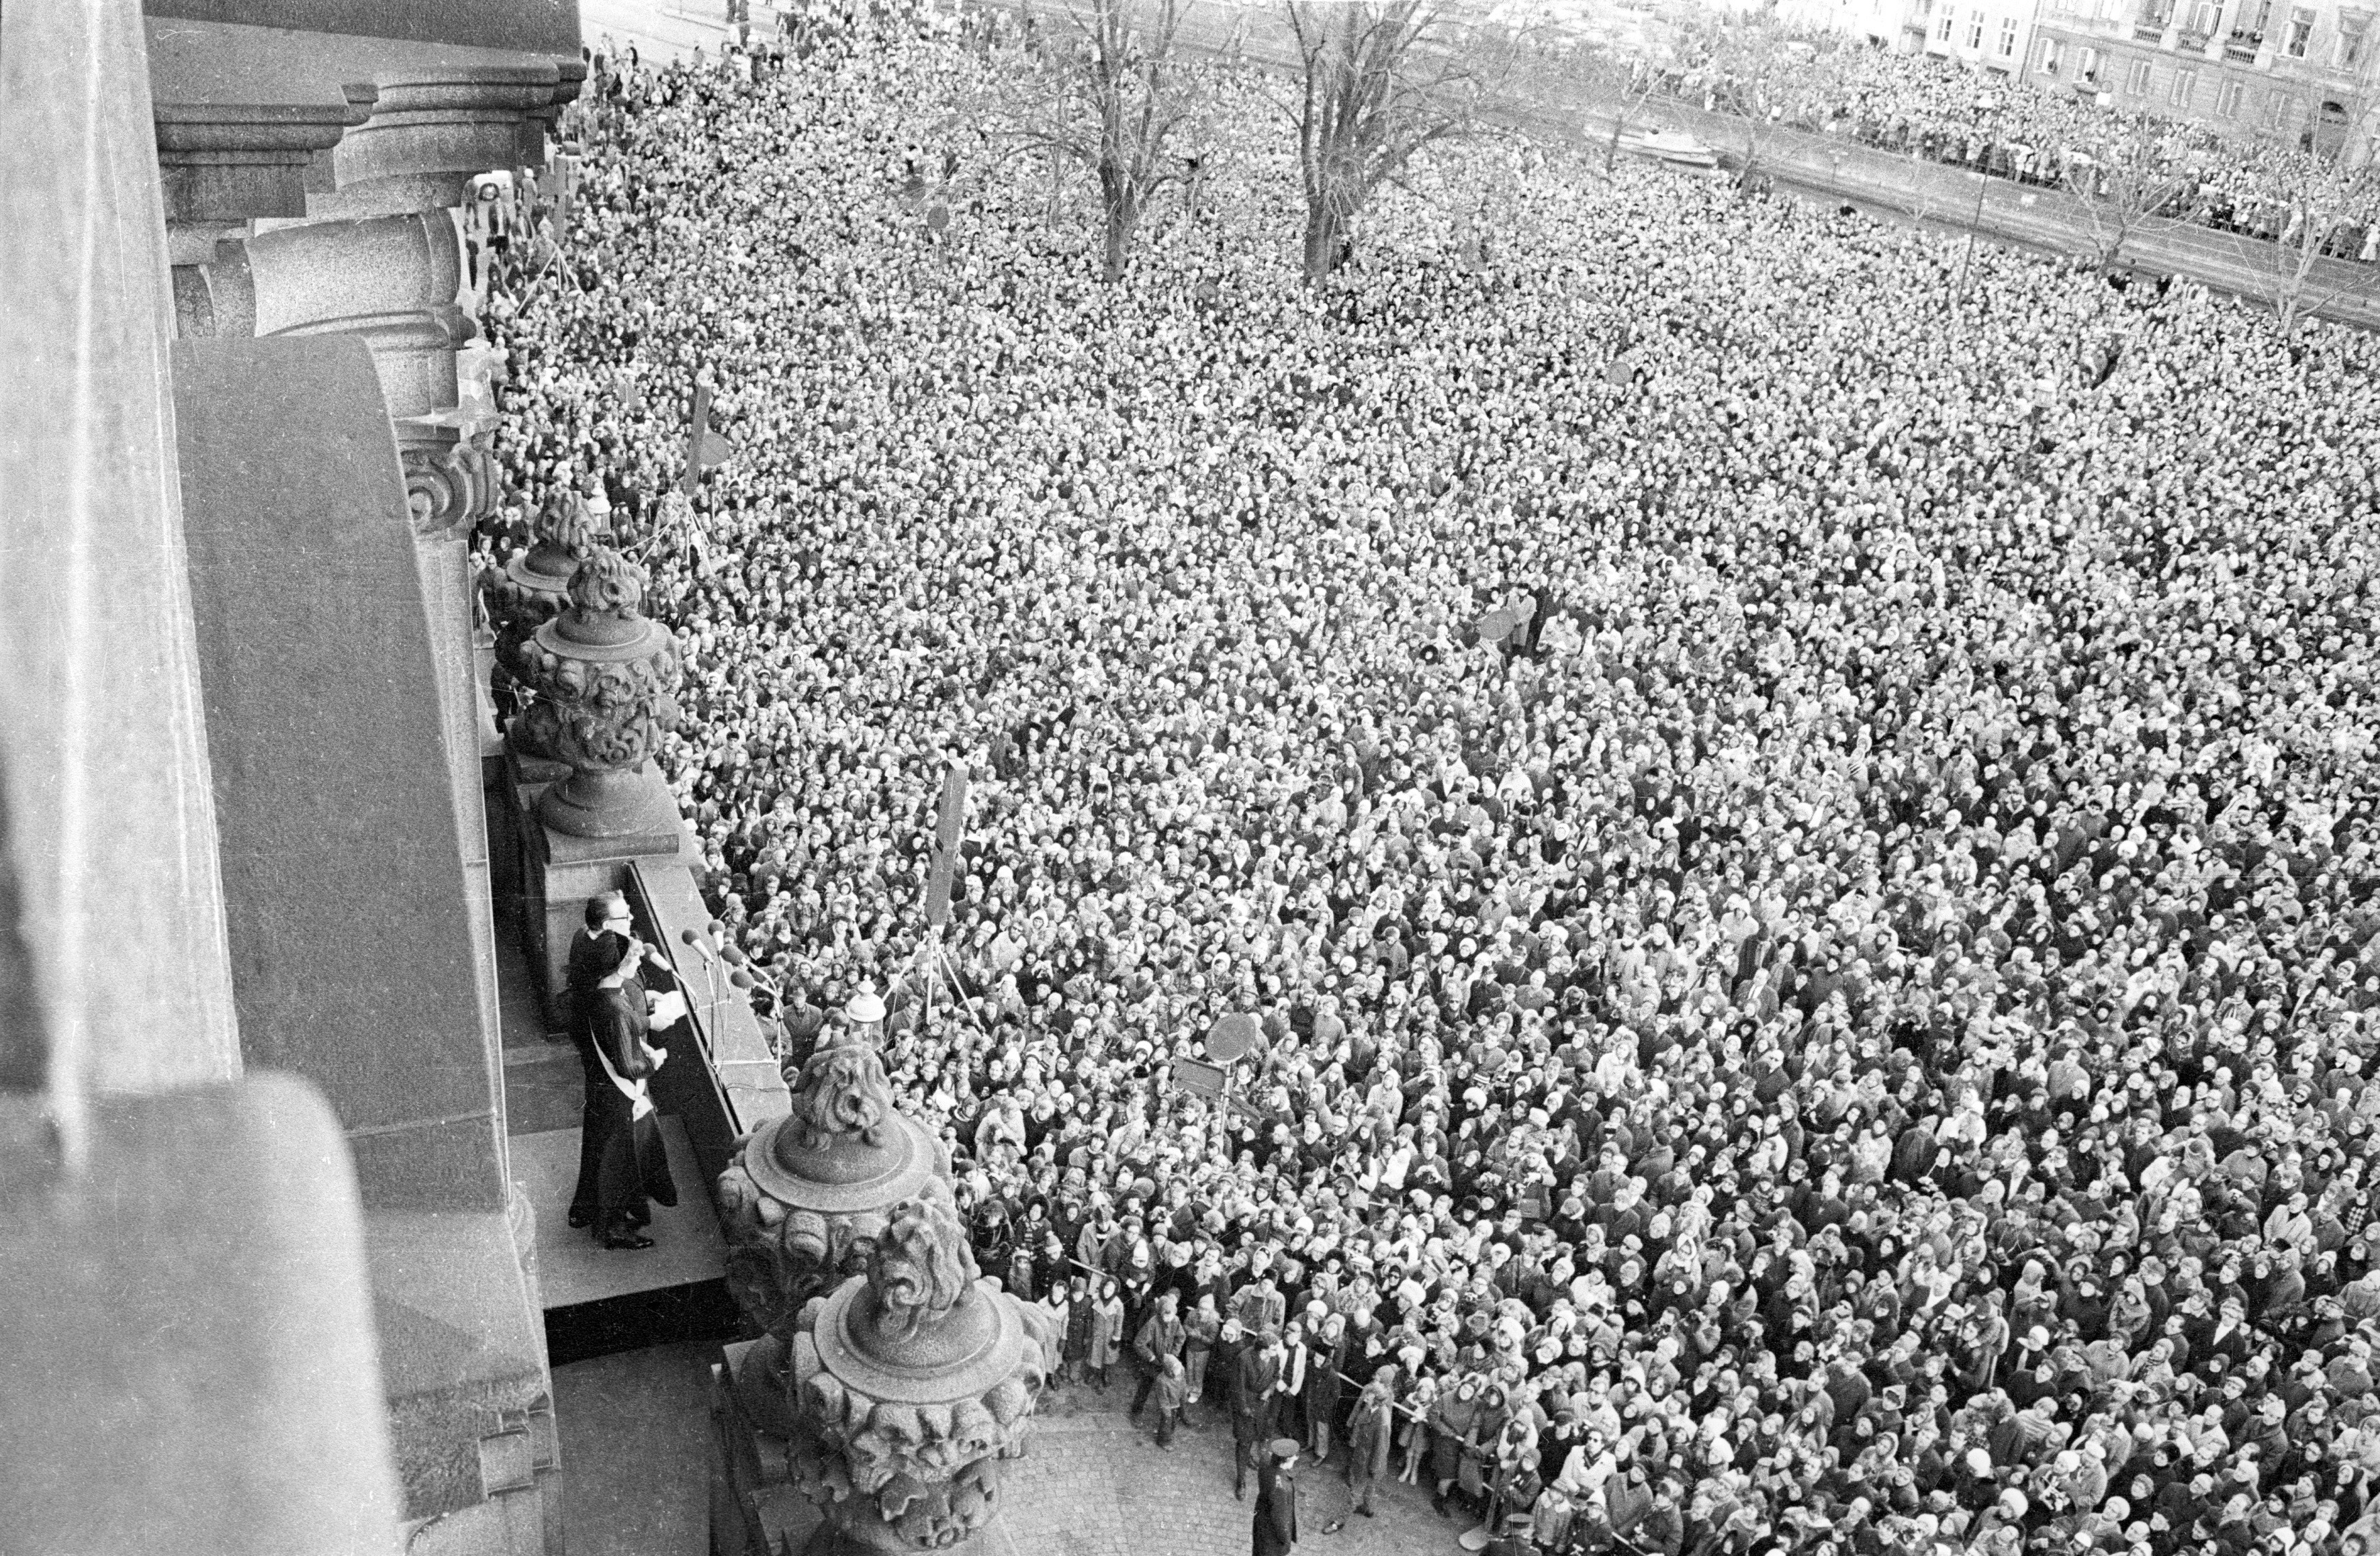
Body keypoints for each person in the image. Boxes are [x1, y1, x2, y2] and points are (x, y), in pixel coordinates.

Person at [582, 932, 677, 1248]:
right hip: (621, 1098)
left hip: (605, 1093)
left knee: (612, 1160)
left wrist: (644, 1027)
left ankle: (611, 1215)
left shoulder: (602, 993)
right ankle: (613, 1230)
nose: (639, 961)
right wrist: (656, 1061)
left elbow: (623, 1028)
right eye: (634, 958)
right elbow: (627, 1067)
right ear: (618, 964)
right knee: (619, 1164)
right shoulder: (617, 1007)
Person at [566, 891, 636, 1228]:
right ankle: (610, 1221)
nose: (632, 921)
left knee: (598, 1139)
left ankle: (585, 1208)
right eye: (625, 918)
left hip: (590, 1045)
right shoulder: (609, 953)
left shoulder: (585, 935)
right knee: (611, 1146)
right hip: (608, 1068)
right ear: (607, 926)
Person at [1345, 1367, 1396, 1518]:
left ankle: (1340, 1520)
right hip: (1363, 1441)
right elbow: (1359, 1408)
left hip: (1371, 1455)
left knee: (1357, 1490)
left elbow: (1381, 1446)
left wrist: (1374, 1468)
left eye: (1380, 1377)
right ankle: (1367, 1508)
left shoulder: (1383, 1416)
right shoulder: (1371, 1398)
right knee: (1368, 1486)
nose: (1376, 1377)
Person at [1254, 1437, 1299, 1556]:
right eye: (1295, 1456)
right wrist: (1285, 1540)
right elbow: (1279, 1519)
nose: (1296, 1458)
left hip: (1261, 1521)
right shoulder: (1282, 1488)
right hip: (1271, 1539)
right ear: (1287, 1459)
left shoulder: (1265, 1461)